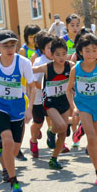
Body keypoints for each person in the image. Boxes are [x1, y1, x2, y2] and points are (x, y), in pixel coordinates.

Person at [0, 30, 35, 192]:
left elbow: (32, 87)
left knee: (14, 148)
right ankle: (14, 182)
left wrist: (29, 108)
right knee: (8, 140)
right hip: (0, 105)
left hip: (18, 106)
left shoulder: (23, 63)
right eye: (5, 46)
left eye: (13, 45)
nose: (10, 49)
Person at [66, 33, 97, 185]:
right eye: (87, 50)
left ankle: (81, 130)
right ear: (80, 52)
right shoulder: (76, 69)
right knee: (92, 138)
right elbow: (68, 90)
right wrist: (74, 107)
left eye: (94, 50)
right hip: (83, 105)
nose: (91, 54)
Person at [32, 37, 72, 169]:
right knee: (60, 125)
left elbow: (84, 70)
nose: (61, 57)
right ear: (52, 55)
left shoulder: (70, 66)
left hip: (64, 100)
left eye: (64, 54)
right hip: (50, 101)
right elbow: (32, 70)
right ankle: (51, 131)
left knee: (63, 131)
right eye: (57, 54)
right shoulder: (47, 67)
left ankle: (54, 159)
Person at [29, 32, 54, 159]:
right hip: (38, 99)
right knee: (38, 123)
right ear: (43, 50)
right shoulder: (39, 62)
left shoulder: (59, 60)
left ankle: (52, 134)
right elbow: (34, 83)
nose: (52, 50)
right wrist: (48, 86)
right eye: (49, 47)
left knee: (57, 121)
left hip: (54, 98)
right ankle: (33, 140)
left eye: (54, 46)